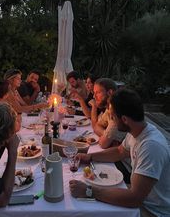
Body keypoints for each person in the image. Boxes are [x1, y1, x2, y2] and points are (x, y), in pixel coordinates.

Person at [69, 88, 170, 217]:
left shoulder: (151, 146)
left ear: (124, 119)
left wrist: (88, 191)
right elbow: (119, 151)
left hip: (151, 211)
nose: (111, 119)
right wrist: (89, 157)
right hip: (140, 200)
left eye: (112, 116)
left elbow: (134, 198)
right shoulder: (136, 131)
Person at [90, 78, 126, 148]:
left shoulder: (116, 112)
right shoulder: (109, 107)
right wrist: (106, 134)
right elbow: (96, 126)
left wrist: (106, 138)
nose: (94, 96)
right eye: (94, 93)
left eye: (97, 92)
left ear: (110, 92)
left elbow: (103, 144)